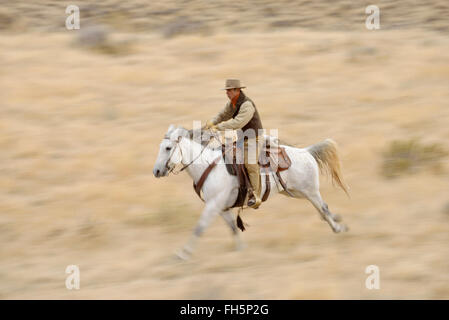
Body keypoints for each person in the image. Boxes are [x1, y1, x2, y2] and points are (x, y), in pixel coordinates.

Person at [205, 79, 263, 209]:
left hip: (254, 139)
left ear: (237, 90)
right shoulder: (232, 103)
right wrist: (211, 123)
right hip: (242, 139)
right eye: (226, 90)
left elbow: (238, 123)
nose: (227, 92)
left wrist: (219, 127)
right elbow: (222, 115)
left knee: (250, 163)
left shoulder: (247, 105)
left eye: (229, 90)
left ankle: (255, 195)